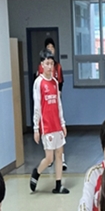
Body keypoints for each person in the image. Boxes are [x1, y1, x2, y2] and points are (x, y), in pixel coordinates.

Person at [30, 48, 69, 194]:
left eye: (51, 64)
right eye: (47, 63)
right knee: (49, 158)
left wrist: (63, 123)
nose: (49, 66)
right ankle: (37, 172)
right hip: (46, 126)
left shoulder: (55, 82)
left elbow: (59, 104)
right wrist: (36, 128)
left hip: (57, 124)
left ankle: (58, 185)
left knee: (59, 153)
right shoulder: (38, 83)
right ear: (42, 64)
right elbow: (37, 106)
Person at [37, 37, 67, 171]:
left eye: (52, 48)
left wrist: (59, 91)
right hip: (46, 110)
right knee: (49, 151)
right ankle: (47, 160)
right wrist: (35, 128)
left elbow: (61, 81)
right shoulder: (40, 74)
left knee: (60, 142)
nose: (51, 50)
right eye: (48, 48)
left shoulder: (58, 67)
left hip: (55, 101)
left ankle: (61, 162)